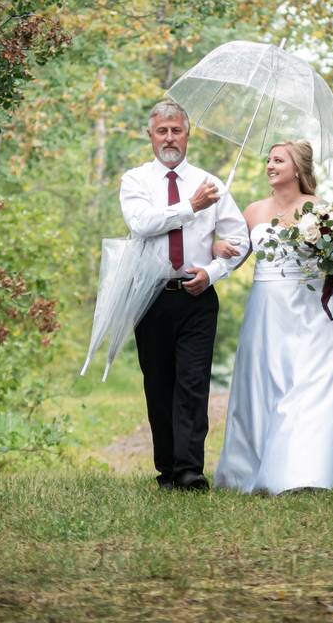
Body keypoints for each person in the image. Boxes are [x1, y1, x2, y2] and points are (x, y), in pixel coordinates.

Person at [212, 140, 333, 494]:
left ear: (296, 168)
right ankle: (251, 469)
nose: (270, 165)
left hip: (311, 311)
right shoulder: (252, 211)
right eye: (268, 160)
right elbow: (232, 256)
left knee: (312, 386)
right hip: (266, 314)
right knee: (264, 387)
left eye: (278, 160)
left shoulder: (321, 209)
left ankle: (306, 472)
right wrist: (215, 246)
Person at [120, 99, 249, 491]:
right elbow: (142, 224)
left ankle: (191, 470)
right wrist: (190, 207)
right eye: (163, 130)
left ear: (188, 134)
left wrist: (211, 272)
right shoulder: (136, 181)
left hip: (197, 298)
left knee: (193, 384)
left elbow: (241, 238)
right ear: (150, 136)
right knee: (158, 383)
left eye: (177, 130)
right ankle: (167, 471)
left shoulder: (211, 184)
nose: (170, 138)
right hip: (151, 296)